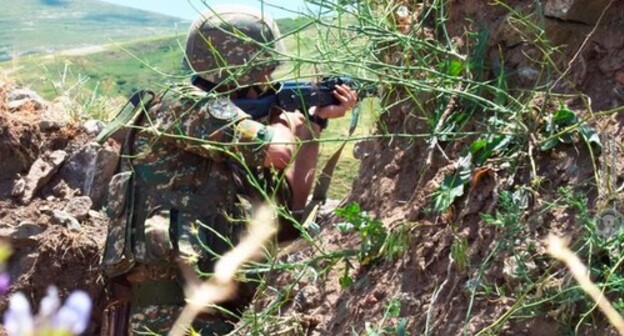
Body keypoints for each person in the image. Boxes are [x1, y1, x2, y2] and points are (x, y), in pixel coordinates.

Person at [99, 5, 357, 336]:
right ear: (243, 68)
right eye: (266, 73)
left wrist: (314, 124)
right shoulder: (184, 104)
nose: (269, 82)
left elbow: (292, 206)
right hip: (164, 316)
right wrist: (283, 121)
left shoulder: (230, 143)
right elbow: (278, 151)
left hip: (219, 315)